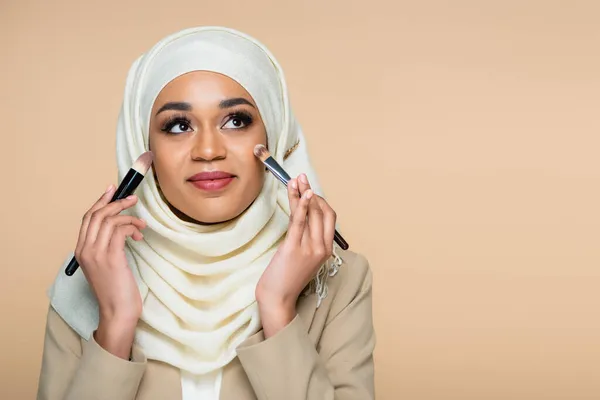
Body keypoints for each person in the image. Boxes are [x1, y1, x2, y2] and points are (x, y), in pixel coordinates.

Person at [37, 26, 375, 400]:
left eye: (236, 121)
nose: (208, 150)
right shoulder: (91, 274)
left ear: (274, 133)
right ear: (141, 144)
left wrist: (278, 309)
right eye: (179, 126)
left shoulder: (339, 279)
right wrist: (115, 324)